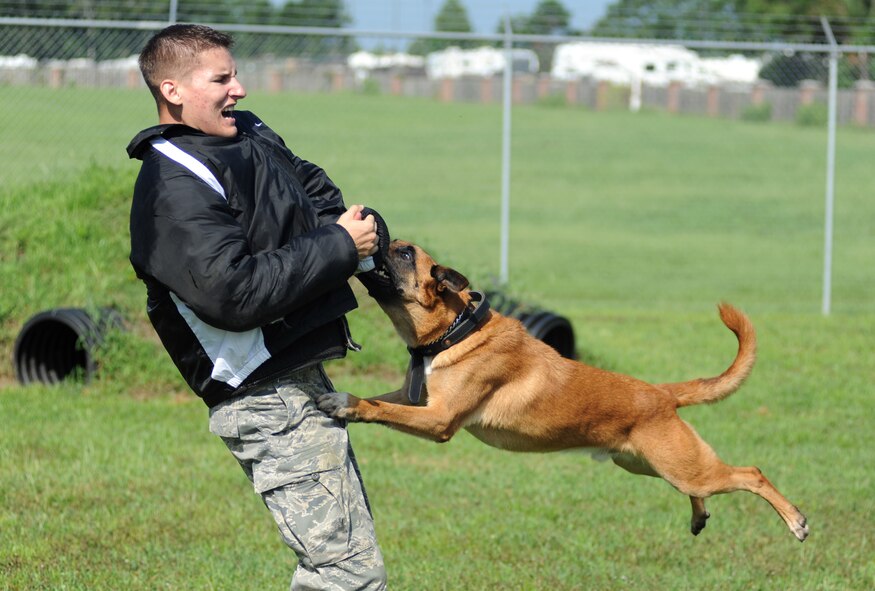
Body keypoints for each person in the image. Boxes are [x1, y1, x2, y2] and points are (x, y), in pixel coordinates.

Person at [127, 24, 387, 590]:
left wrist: (361, 235)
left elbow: (313, 190)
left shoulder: (246, 133)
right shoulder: (171, 186)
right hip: (263, 394)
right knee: (348, 575)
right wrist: (340, 246)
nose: (239, 89)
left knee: (343, 568)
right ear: (172, 90)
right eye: (221, 78)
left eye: (235, 74)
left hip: (298, 374)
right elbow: (232, 293)